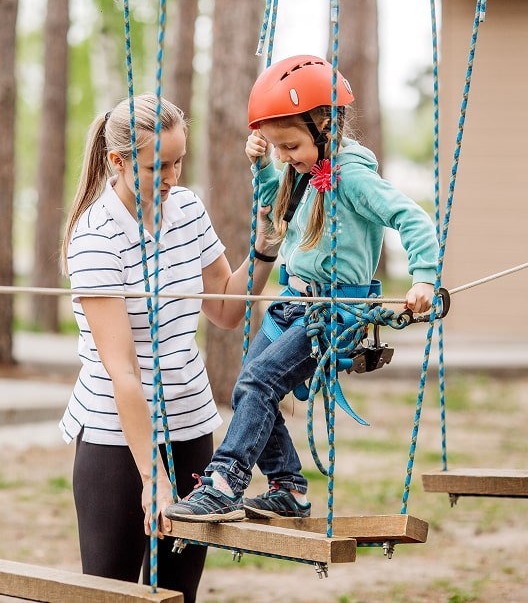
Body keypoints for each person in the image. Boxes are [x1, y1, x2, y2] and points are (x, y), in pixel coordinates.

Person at [165, 55, 439, 523]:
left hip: (334, 312)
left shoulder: (352, 176)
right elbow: (279, 208)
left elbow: (410, 217)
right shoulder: (301, 171)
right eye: (277, 147)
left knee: (258, 381)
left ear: (325, 126)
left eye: (290, 145)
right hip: (293, 304)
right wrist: (263, 167)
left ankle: (224, 482)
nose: (285, 156)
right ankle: (288, 487)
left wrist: (424, 277)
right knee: (250, 385)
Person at [59, 93, 279, 602]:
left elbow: (225, 309)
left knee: (178, 595)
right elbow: (124, 372)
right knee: (112, 595)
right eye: (157, 166)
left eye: (178, 162)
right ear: (117, 161)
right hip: (117, 438)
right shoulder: (95, 237)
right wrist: (152, 477)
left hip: (191, 424)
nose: (172, 177)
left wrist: (265, 248)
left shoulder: (186, 208)